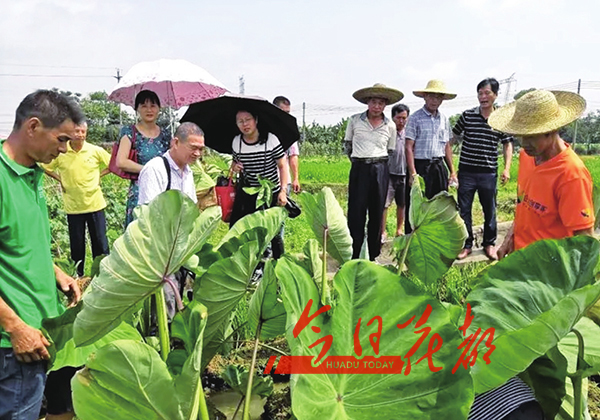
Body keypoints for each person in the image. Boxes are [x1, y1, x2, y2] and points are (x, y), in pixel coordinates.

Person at [468, 89, 593, 420]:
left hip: (549, 287)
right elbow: (524, 202)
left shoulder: (571, 174)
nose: (524, 143)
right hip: (520, 276)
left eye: (532, 136)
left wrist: (572, 298)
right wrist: (511, 237)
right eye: (520, 134)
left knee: (550, 359)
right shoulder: (526, 156)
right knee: (515, 354)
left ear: (553, 130)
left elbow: (582, 243)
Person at [0, 90, 82, 420]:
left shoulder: (30, 173)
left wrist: (53, 272)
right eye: (61, 139)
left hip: (37, 335)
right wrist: (14, 327)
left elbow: (17, 243)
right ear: (33, 126)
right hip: (14, 345)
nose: (63, 149)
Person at [452, 78, 514, 261]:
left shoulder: (500, 120)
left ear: (495, 95)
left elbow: (507, 145)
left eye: (487, 93)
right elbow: (452, 138)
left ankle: (489, 243)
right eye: (480, 93)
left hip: (488, 172)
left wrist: (507, 169)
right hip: (467, 172)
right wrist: (450, 166)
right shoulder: (467, 116)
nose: (483, 97)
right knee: (464, 210)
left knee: (490, 209)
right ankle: (466, 245)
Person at [42, 121, 112, 277]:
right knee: (77, 247)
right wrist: (60, 179)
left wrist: (100, 176)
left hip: (95, 204)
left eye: (83, 131)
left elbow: (114, 165)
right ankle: (78, 279)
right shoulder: (62, 153)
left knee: (100, 244)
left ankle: (102, 277)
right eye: (77, 131)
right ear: (70, 134)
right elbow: (46, 167)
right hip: (73, 206)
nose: (80, 134)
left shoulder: (95, 150)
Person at [344, 83, 402, 260]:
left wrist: (376, 164)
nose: (377, 106)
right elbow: (348, 145)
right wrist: (360, 161)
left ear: (385, 105)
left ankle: (373, 255)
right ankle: (353, 255)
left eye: (381, 103)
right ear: (368, 102)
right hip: (359, 168)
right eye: (374, 102)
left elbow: (390, 150)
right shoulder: (354, 120)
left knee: (377, 212)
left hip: (380, 169)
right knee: (356, 212)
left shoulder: (390, 125)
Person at [229, 109, 290, 259]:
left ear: (255, 120)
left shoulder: (270, 140)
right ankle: (254, 264)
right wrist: (235, 167)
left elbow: (283, 165)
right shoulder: (237, 142)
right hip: (249, 193)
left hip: (270, 192)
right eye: (240, 121)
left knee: (273, 231)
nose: (245, 124)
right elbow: (234, 163)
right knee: (248, 229)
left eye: (247, 119)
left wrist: (283, 191)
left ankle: (279, 265)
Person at [404, 79, 457, 234]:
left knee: (439, 205)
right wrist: (413, 173)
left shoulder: (444, 119)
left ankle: (436, 237)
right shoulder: (415, 118)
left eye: (438, 97)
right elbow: (409, 147)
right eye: (431, 96)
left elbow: (446, 146)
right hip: (421, 166)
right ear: (425, 97)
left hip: (439, 166)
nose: (435, 100)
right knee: (417, 205)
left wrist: (452, 171)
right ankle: (411, 240)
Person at [116, 89, 171, 228]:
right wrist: (149, 170)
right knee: (139, 231)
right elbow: (121, 161)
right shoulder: (129, 132)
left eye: (153, 106)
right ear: (137, 109)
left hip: (162, 188)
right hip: (139, 189)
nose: (149, 110)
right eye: (144, 106)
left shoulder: (166, 134)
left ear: (159, 108)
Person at [138, 122, 205, 205]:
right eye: (193, 148)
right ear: (176, 143)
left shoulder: (188, 172)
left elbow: (191, 208)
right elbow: (149, 212)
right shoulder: (155, 169)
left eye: (201, 149)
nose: (197, 154)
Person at [381, 104, 410, 240]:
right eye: (399, 118)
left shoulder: (409, 133)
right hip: (389, 174)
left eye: (404, 118)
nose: (401, 121)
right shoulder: (388, 131)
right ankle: (382, 232)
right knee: (385, 204)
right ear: (393, 118)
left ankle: (399, 229)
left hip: (404, 174)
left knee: (402, 203)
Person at [273, 96, 301, 193]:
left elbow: (293, 155)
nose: (286, 116)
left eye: (288, 112)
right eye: (283, 112)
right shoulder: (265, 129)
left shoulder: (290, 131)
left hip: (284, 181)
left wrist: (296, 178)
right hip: (266, 180)